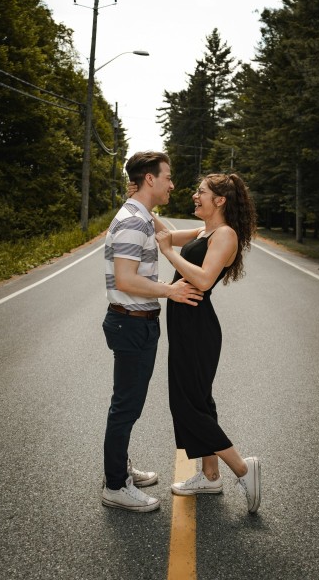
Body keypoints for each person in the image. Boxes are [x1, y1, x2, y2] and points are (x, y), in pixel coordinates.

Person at [101, 151, 203, 513]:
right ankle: (115, 485)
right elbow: (127, 279)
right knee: (125, 406)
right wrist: (170, 290)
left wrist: (220, 225)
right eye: (168, 177)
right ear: (150, 179)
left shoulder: (143, 216)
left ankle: (120, 469)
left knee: (129, 404)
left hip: (137, 323)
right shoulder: (133, 221)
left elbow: (175, 236)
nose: (172, 184)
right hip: (130, 322)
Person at [154, 172, 262, 513]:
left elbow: (202, 278)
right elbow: (164, 234)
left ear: (220, 200)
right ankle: (210, 476)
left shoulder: (226, 234)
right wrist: (143, 199)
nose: (194, 196)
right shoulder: (206, 231)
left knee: (186, 404)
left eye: (201, 192)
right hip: (187, 325)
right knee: (198, 401)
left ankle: (243, 469)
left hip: (198, 327)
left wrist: (169, 254)